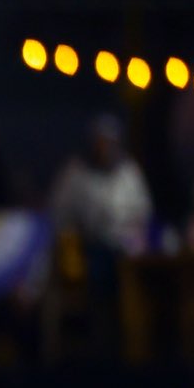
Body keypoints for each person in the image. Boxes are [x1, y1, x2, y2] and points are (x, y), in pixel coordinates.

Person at [49, 114, 153, 358]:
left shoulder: (129, 172)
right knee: (99, 277)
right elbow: (59, 213)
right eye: (100, 141)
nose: (105, 147)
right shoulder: (76, 173)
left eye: (110, 141)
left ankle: (131, 344)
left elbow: (143, 210)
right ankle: (100, 342)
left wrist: (135, 235)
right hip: (91, 246)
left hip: (128, 248)